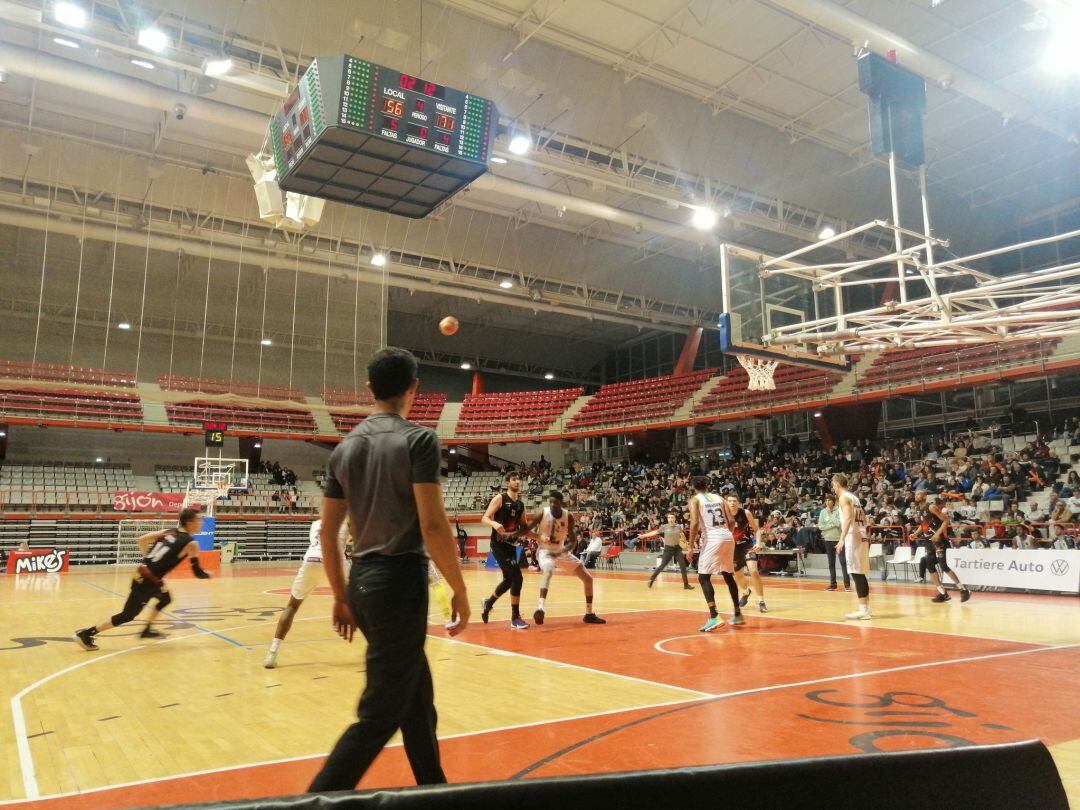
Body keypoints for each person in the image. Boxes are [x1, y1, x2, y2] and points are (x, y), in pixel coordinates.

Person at [308, 347, 469, 792]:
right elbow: (433, 524)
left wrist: (341, 596)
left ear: (370, 390)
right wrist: (458, 588)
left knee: (417, 701)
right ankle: (314, 800)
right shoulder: (418, 440)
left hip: (362, 584)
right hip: (399, 583)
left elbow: (328, 534)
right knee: (379, 714)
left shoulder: (343, 449)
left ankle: (434, 789)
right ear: (414, 387)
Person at [73, 507, 211, 649]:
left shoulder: (169, 532)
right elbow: (198, 573)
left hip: (143, 574)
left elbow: (142, 539)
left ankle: (146, 630)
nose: (201, 523)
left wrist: (149, 560)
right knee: (128, 615)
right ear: (189, 522)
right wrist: (208, 574)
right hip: (148, 582)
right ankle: (86, 634)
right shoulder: (191, 543)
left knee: (165, 598)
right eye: (199, 520)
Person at [263, 517, 351, 668]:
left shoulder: (315, 524)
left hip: (312, 559)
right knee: (362, 600)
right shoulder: (346, 523)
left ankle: (272, 653)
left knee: (292, 607)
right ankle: (380, 643)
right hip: (334, 561)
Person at [526, 491, 606, 626]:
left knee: (588, 579)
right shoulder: (542, 513)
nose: (552, 505)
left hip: (561, 551)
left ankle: (589, 614)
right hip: (545, 551)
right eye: (550, 502)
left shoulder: (567, 516)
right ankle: (540, 608)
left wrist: (563, 551)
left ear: (561, 503)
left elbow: (573, 541)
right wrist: (539, 537)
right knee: (548, 571)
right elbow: (527, 531)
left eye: (555, 502)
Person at [688, 476, 742, 632]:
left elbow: (694, 523)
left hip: (712, 538)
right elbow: (732, 520)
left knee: (703, 577)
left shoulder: (695, 500)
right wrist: (727, 535)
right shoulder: (719, 497)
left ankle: (714, 616)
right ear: (707, 485)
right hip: (727, 536)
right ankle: (737, 613)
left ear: (693, 487)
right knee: (727, 574)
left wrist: (691, 547)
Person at [479, 472, 529, 629]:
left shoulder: (520, 505)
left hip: (511, 546)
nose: (517, 481)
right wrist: (495, 525)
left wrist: (540, 537)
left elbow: (525, 528)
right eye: (514, 479)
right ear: (508, 482)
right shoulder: (500, 498)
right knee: (517, 578)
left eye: (518, 479)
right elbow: (485, 517)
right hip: (498, 544)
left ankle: (488, 603)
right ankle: (515, 617)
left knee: (509, 580)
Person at [914, 491, 971, 603]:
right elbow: (923, 526)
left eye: (919, 494)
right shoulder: (919, 509)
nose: (916, 496)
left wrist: (937, 533)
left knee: (943, 566)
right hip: (929, 542)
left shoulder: (931, 507)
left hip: (939, 541)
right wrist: (915, 534)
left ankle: (963, 590)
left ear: (924, 496)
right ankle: (943, 593)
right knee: (929, 565)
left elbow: (946, 520)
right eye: (915, 495)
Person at [833, 474, 871, 621]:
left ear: (837, 484)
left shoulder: (843, 497)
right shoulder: (854, 497)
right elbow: (864, 518)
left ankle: (863, 609)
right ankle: (866, 607)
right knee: (860, 572)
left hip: (853, 535)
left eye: (833, 485)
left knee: (856, 572)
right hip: (861, 534)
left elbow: (848, 518)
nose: (833, 488)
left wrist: (842, 539)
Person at [726, 492, 766, 612]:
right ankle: (746, 592)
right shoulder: (723, 516)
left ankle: (761, 601)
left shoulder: (745, 513)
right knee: (738, 576)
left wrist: (758, 542)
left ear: (738, 503)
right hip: (732, 548)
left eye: (734, 501)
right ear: (726, 503)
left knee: (753, 571)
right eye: (730, 501)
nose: (732, 503)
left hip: (747, 546)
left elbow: (757, 530)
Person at [642, 513, 693, 590]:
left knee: (683, 567)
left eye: (672, 517)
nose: (670, 519)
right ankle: (651, 580)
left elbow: (682, 536)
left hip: (677, 549)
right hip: (668, 549)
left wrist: (685, 543)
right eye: (669, 517)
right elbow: (655, 532)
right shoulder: (664, 527)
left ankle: (686, 584)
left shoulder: (678, 527)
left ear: (675, 518)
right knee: (662, 566)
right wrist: (644, 536)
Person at [818, 494, 850, 591]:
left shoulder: (839, 511)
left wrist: (831, 515)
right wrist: (831, 525)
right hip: (828, 540)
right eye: (826, 500)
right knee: (831, 563)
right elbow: (820, 526)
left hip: (838, 539)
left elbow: (840, 524)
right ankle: (833, 584)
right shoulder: (823, 512)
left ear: (833, 501)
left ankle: (847, 585)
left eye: (829, 500)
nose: (827, 502)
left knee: (843, 562)